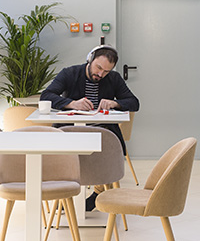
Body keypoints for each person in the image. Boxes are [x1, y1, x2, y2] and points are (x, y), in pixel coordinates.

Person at [41, 45, 139, 208]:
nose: (100, 74)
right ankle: (65, 193)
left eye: (106, 71)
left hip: (101, 131)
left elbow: (134, 102)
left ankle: (98, 193)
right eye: (98, 68)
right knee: (66, 154)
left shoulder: (113, 78)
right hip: (70, 129)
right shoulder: (70, 73)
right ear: (90, 59)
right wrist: (71, 103)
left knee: (105, 149)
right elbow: (46, 95)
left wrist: (115, 103)